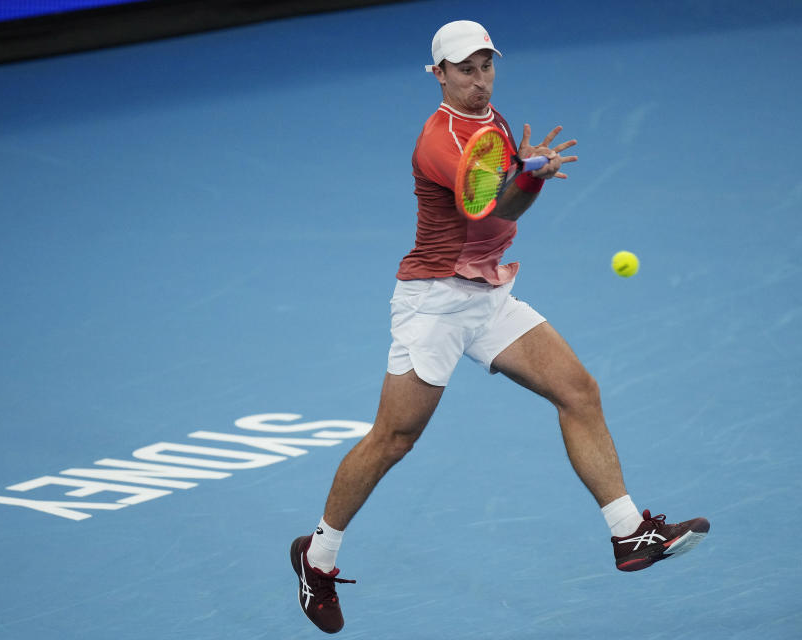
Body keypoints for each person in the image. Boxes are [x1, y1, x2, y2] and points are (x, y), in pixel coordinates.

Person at [290, 20, 709, 634]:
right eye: (465, 69)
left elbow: (511, 196)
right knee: (394, 440)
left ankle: (629, 535)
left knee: (578, 391)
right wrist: (530, 175)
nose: (480, 80)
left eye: (487, 66)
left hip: (486, 295)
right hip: (433, 304)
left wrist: (527, 169)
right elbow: (495, 204)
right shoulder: (438, 140)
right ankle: (316, 557)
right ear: (438, 74)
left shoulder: (495, 120)